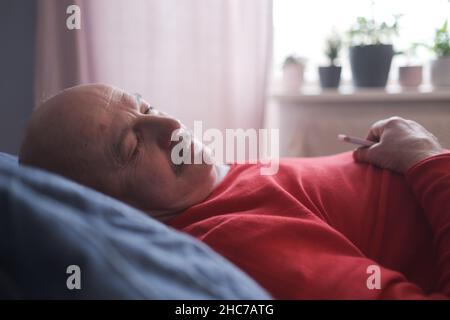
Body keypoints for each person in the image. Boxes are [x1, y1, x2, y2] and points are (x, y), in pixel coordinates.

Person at [19, 84, 450, 299]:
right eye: (132, 148)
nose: (172, 127)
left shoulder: (210, 188)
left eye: (147, 108)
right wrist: (425, 159)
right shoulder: (235, 241)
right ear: (110, 209)